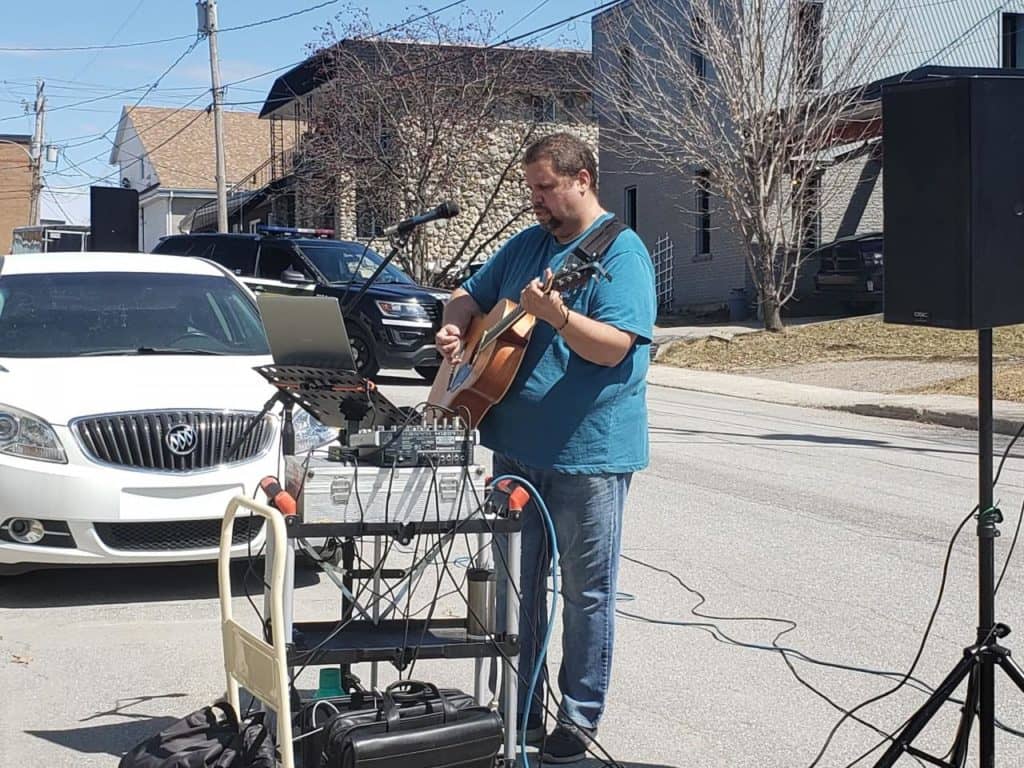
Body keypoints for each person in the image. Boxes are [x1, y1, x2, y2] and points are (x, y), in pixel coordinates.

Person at [436, 132, 656, 764]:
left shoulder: (621, 253)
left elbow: (615, 346)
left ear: (582, 179)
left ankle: (579, 718)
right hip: (514, 446)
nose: (536, 201)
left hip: (588, 454)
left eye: (545, 188)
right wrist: (454, 326)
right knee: (521, 586)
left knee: (587, 593)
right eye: (531, 187)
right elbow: (469, 295)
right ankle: (523, 705)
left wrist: (558, 317)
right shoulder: (529, 244)